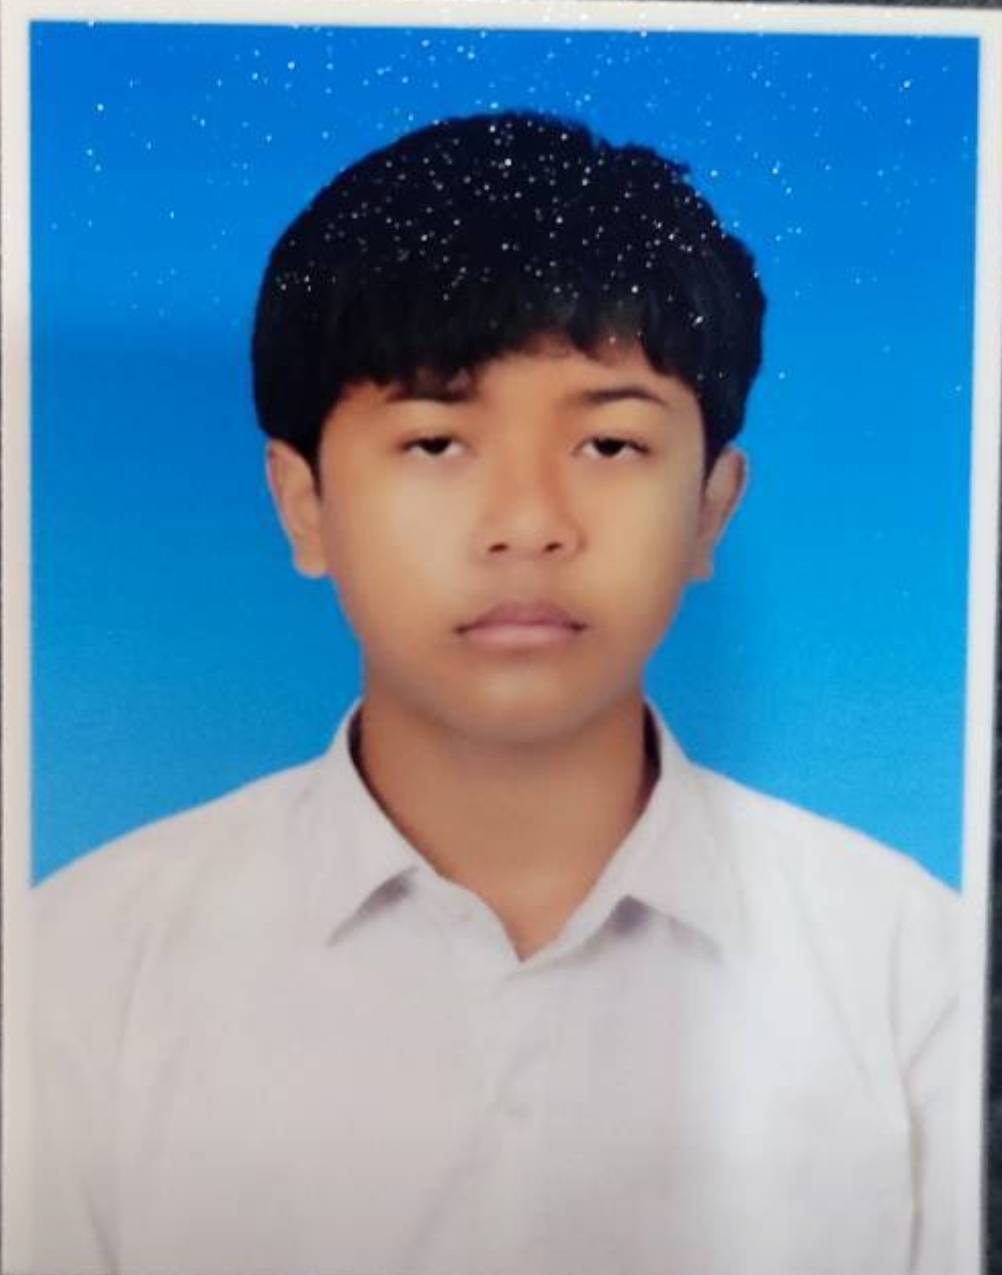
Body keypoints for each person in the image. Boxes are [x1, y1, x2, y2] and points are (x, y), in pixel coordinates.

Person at [31, 111, 957, 1275]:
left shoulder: (914, 972)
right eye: (435, 443)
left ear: (712, 509)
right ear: (303, 503)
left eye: (609, 447)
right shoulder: (79, 971)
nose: (528, 525)